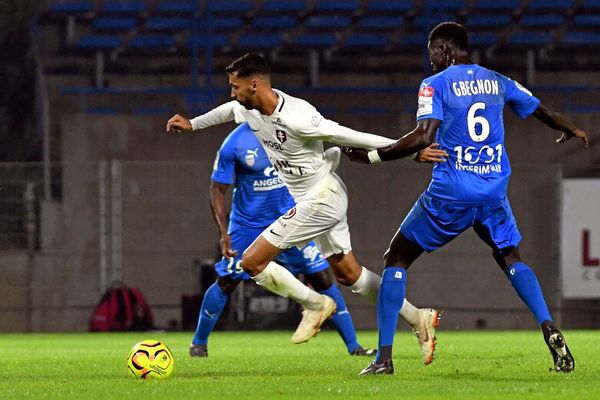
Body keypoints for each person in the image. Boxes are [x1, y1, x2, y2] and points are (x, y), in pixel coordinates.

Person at [167, 53, 447, 364]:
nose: (232, 93)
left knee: (252, 262)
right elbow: (229, 110)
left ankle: (315, 304)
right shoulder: (250, 109)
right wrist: (192, 124)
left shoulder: (299, 117)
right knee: (349, 275)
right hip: (314, 198)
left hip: (323, 198)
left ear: (254, 85)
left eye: (236, 87)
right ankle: (417, 317)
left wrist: (410, 153)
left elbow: (353, 136)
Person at [342, 22, 589, 375]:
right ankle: (549, 326)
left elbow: (422, 136)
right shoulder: (497, 80)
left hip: (450, 194)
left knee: (395, 259)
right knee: (510, 257)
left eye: (431, 55)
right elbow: (541, 110)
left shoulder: (434, 85)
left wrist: (371, 156)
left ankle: (384, 358)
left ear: (443, 50)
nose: (430, 63)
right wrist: (572, 128)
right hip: (492, 192)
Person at [190, 122, 375, 357]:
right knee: (228, 281)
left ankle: (354, 347)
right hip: (247, 226)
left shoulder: (290, 128)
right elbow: (217, 189)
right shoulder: (234, 143)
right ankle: (199, 343)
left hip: (290, 220)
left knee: (322, 277)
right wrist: (223, 233)